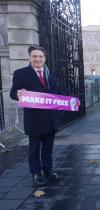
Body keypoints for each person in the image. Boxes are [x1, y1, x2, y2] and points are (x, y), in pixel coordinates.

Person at [10, 45, 61, 186]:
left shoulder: (51, 73)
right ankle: (36, 173)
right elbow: (13, 93)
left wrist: (71, 103)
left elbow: (57, 94)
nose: (38, 59)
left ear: (44, 58)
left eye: (40, 56)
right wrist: (18, 93)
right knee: (34, 149)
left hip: (51, 119)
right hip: (34, 120)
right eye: (34, 56)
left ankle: (48, 170)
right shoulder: (20, 73)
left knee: (48, 148)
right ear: (29, 58)